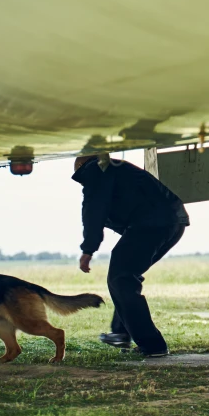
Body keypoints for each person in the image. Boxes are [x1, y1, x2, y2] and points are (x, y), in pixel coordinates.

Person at [73, 153, 189, 357]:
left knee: (121, 278)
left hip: (151, 224)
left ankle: (152, 345)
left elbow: (94, 210)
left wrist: (88, 249)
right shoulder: (115, 169)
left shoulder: (95, 170)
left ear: (81, 165)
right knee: (125, 278)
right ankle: (121, 332)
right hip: (172, 222)